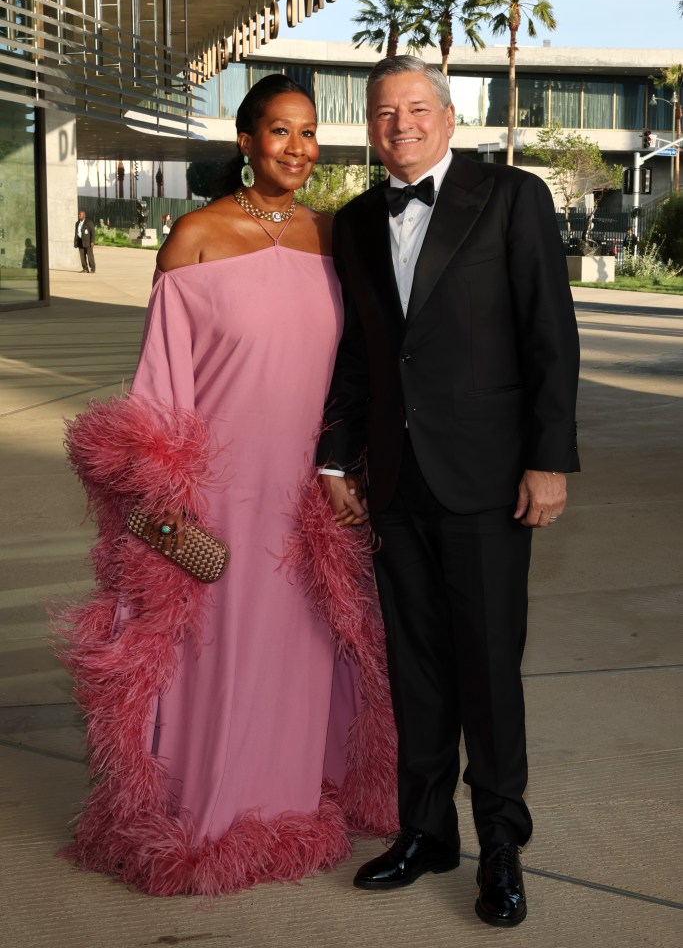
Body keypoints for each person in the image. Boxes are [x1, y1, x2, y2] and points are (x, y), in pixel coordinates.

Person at [58, 75, 397, 896]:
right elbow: (162, 380)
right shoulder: (196, 237)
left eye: (309, 133)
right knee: (217, 647)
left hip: (310, 491)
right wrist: (165, 502)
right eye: (280, 131)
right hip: (220, 490)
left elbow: (358, 370)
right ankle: (210, 812)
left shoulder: (336, 238)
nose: (298, 148)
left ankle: (294, 799)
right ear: (246, 140)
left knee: (307, 646)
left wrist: (348, 462)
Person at [317, 56, 580, 927]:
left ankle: (500, 844)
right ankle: (425, 832)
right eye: (383, 113)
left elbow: (549, 334)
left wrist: (548, 459)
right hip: (395, 481)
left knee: (488, 673)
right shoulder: (356, 222)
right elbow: (360, 352)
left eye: (415, 108)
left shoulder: (510, 197)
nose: (400, 125)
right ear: (368, 126)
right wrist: (334, 459)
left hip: (488, 478)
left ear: (448, 115)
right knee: (417, 670)